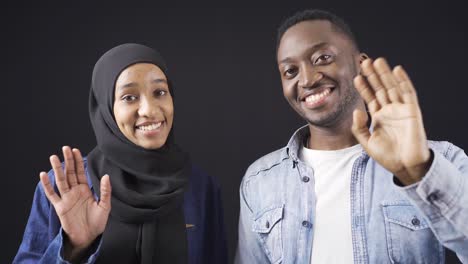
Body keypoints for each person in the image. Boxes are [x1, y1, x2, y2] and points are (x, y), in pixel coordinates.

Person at [235, 9, 468, 263]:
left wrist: (419, 171)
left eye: (322, 58)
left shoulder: (440, 160)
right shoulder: (259, 181)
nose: (307, 79)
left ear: (361, 63)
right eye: (290, 71)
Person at [14, 43, 227, 263]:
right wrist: (73, 248)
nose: (149, 110)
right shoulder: (64, 187)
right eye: (129, 97)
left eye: (159, 92)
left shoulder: (201, 187)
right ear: (106, 109)